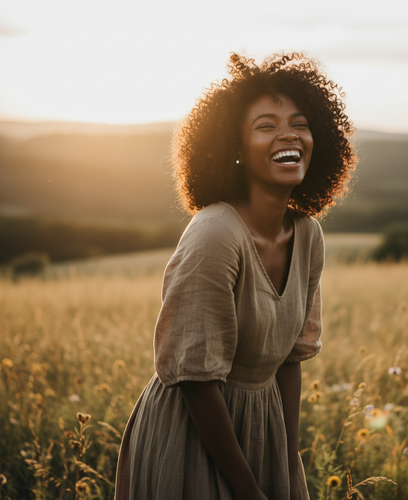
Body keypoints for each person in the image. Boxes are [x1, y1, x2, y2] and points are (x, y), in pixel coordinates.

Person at [115, 52, 356, 500]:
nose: (288, 133)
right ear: (236, 151)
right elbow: (195, 379)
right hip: (192, 436)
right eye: (265, 125)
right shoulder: (215, 234)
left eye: (299, 122)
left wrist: (284, 466)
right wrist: (247, 490)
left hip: (263, 433)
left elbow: (290, 362)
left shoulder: (308, 237)